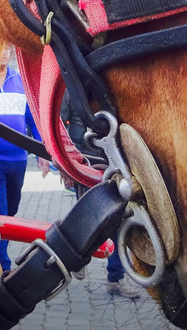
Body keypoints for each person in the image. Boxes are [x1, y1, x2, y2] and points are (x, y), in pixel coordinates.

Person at [0, 46, 44, 272]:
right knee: (0, 213)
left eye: (6, 49)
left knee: (10, 210)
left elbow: (33, 118)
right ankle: (2, 267)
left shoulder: (20, 81)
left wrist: (43, 152)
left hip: (18, 160)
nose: (3, 52)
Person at [61, 109, 141, 299]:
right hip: (85, 166)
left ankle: (115, 279)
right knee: (86, 220)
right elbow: (61, 127)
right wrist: (66, 165)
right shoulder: (71, 88)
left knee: (118, 223)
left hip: (115, 166)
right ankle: (78, 261)